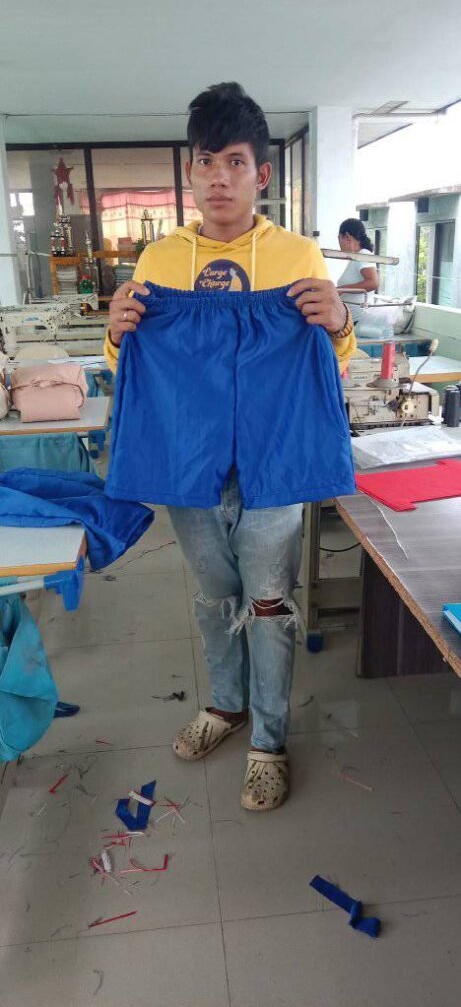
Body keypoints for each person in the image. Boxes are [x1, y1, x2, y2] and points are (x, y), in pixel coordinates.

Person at [104, 82, 356, 812]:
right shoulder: (158, 260)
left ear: (260, 174)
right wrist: (117, 334)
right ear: (191, 171)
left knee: (268, 600)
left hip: (274, 449)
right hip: (188, 452)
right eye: (206, 161)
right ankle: (225, 704)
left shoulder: (297, 255)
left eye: (235, 162)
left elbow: (330, 361)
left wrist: (340, 321)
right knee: (214, 593)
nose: (219, 177)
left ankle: (268, 741)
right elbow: (131, 368)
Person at [336, 218, 379, 323]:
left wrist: (341, 289)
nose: (339, 245)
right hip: (350, 320)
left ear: (347, 237)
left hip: (358, 321)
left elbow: (373, 282)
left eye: (339, 239)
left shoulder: (363, 254)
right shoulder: (357, 257)